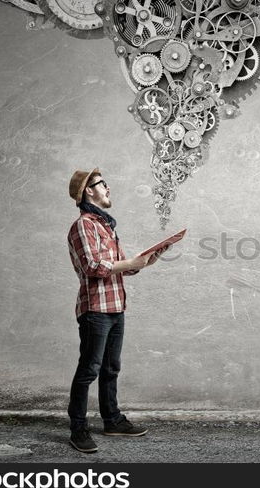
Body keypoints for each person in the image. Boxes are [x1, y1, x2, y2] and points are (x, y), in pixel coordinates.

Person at [66, 168, 167, 453]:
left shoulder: (106, 225)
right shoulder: (84, 225)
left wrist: (147, 261)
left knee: (111, 368)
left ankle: (112, 420)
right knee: (89, 370)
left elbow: (121, 269)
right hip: (95, 309)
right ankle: (78, 429)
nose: (108, 189)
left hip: (115, 306)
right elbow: (93, 267)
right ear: (89, 190)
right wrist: (131, 262)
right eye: (103, 185)